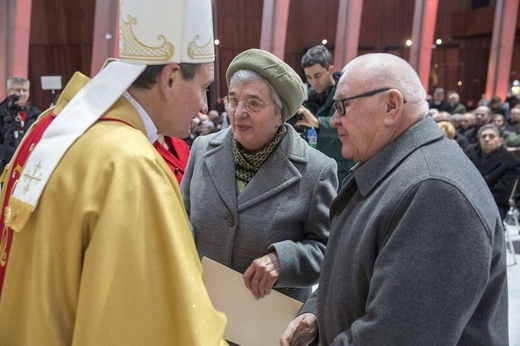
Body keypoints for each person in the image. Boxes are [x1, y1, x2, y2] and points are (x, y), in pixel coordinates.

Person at [0, 0, 227, 344]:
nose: (204, 106)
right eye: (205, 87)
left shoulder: (49, 127)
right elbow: (153, 323)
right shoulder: (131, 165)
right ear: (170, 78)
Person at [281, 53, 508, 345]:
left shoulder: (434, 192)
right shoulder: (395, 167)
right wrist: (317, 313)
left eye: (342, 106)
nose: (334, 120)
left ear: (390, 106)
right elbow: (357, 275)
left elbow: (397, 337)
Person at [181, 48, 338, 303]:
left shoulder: (316, 170)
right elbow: (181, 216)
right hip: (200, 305)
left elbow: (328, 250)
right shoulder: (201, 149)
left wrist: (283, 260)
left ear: (280, 114)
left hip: (265, 320)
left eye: (253, 103)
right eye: (233, 100)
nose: (238, 113)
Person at [297, 45, 356, 188]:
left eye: (317, 76)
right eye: (309, 77)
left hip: (341, 169)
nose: (313, 82)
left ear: (330, 70)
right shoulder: (309, 98)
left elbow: (352, 124)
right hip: (316, 168)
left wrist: (318, 122)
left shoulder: (347, 92)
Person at [468, 124, 520, 219]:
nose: (487, 139)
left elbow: (501, 192)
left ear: (501, 140)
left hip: (494, 206)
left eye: (491, 136)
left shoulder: (512, 161)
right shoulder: (469, 158)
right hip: (466, 201)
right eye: (483, 136)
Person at [0, 76, 41, 171]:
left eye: (24, 90)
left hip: (28, 166)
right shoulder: (1, 112)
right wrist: (17, 154)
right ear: (8, 92)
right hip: (3, 167)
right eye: (18, 90)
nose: (22, 93)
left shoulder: (37, 115)